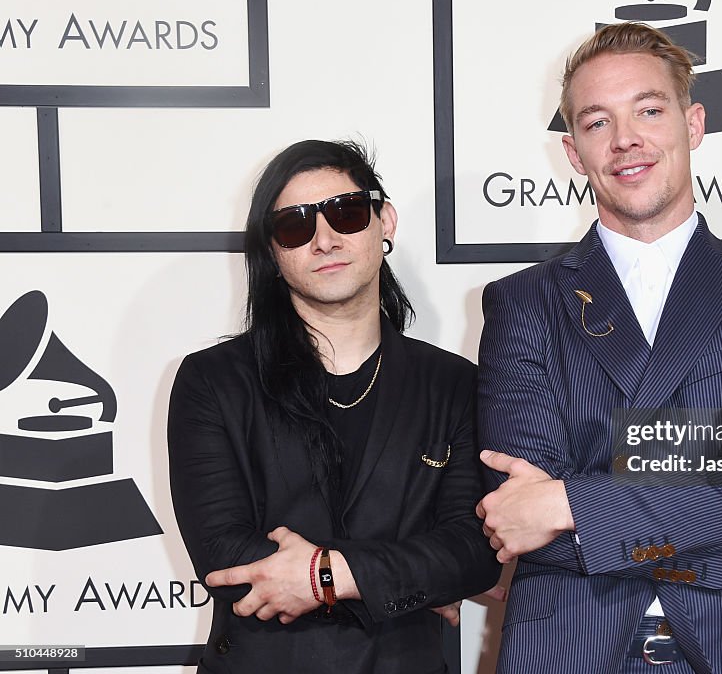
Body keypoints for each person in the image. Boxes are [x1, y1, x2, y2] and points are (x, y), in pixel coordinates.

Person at [475, 23, 722, 674]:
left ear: (692, 124)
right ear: (574, 152)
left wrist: (567, 501)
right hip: (565, 651)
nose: (626, 140)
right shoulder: (523, 303)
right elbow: (517, 518)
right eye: (597, 123)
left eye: (648, 110)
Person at [167, 139, 500, 673]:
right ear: (273, 252)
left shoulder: (453, 384)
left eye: (345, 213)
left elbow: (469, 552)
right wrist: (402, 579)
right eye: (295, 226)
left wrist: (328, 576)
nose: (324, 239)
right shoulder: (213, 381)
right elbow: (222, 553)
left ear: (384, 221)